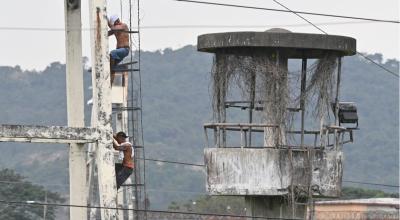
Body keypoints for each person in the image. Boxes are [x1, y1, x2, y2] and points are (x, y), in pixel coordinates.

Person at [108, 14, 130, 85]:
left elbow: (114, 28)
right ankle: (111, 81)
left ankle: (112, 70)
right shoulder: (115, 29)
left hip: (124, 50)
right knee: (111, 64)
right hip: (119, 51)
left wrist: (107, 21)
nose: (115, 25)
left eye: (115, 23)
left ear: (117, 21)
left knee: (112, 53)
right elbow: (107, 33)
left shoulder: (123, 26)